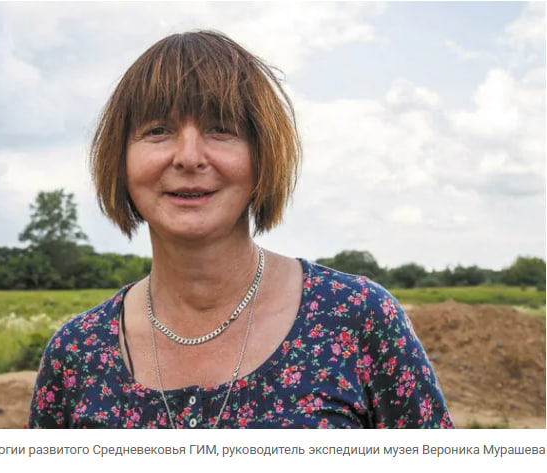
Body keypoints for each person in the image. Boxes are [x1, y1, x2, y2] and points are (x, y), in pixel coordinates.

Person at [28, 30, 453, 429]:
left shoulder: (357, 318)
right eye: (158, 131)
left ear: (263, 155)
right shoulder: (75, 354)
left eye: (221, 129)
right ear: (120, 161)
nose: (189, 157)